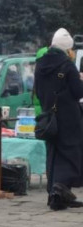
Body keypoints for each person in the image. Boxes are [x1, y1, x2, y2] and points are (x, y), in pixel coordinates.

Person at [34, 28, 83, 210]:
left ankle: (59, 196)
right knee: (70, 154)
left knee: (53, 153)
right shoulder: (67, 64)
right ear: (67, 49)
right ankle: (60, 189)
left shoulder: (40, 63)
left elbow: (38, 91)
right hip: (69, 117)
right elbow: (78, 92)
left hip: (49, 116)